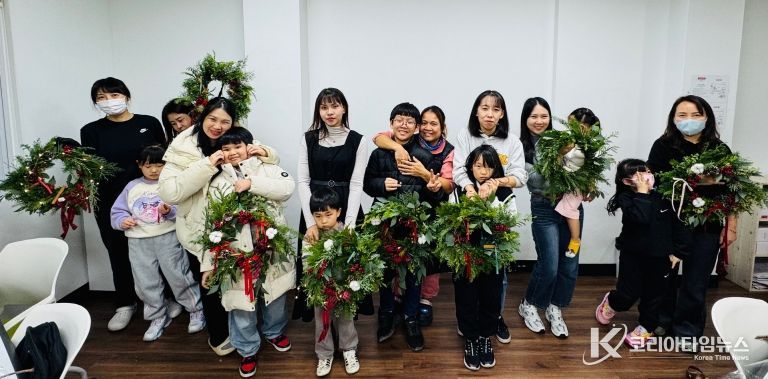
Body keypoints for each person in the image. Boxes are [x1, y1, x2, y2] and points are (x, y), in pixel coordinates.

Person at [158, 97, 279, 357]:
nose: (217, 126)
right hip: (199, 231)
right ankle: (219, 336)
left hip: (236, 230)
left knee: (237, 283)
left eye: (225, 121)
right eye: (212, 119)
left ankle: (245, 332)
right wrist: (207, 164)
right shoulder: (183, 147)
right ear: (202, 117)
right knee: (210, 286)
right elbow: (170, 192)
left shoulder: (234, 139)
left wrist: (267, 153)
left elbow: (263, 157)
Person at [201, 127, 295, 378]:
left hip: (271, 249)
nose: (232, 153)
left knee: (274, 295)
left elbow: (286, 189)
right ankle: (247, 348)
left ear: (249, 147)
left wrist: (251, 183)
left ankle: (274, 332)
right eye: (226, 148)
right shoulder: (218, 182)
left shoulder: (269, 168)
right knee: (241, 302)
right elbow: (211, 225)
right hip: (236, 255)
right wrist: (208, 263)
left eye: (237, 147)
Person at [647, 95, 736, 349]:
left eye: (695, 115)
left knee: (696, 279)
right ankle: (661, 321)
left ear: (706, 117)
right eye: (682, 115)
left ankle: (687, 329)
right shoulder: (663, 146)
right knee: (664, 276)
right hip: (670, 222)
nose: (689, 121)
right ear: (673, 119)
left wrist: (732, 224)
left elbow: (731, 191)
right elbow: (655, 184)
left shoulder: (719, 150)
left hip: (707, 224)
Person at [80, 77, 166, 331]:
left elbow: (163, 159)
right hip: (110, 200)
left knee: (161, 249)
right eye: (101, 98)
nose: (109, 102)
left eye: (114, 95)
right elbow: (92, 168)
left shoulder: (148, 123)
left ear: (126, 96)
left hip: (151, 197)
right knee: (118, 252)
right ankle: (125, 303)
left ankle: (166, 299)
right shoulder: (91, 130)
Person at [363, 102, 443, 352]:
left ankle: (410, 319)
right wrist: (380, 184)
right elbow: (367, 184)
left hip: (415, 226)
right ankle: (386, 314)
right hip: (385, 224)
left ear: (417, 127)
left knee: (413, 273)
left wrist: (429, 183)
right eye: (399, 120)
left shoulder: (426, 156)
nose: (404, 124)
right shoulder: (379, 154)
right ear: (391, 124)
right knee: (386, 272)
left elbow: (436, 197)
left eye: (410, 121)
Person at [109, 145, 205, 342]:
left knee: (179, 275)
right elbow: (117, 212)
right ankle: (157, 317)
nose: (153, 170)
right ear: (139, 166)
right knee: (145, 282)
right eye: (148, 165)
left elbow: (183, 211)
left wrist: (168, 212)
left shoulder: (171, 185)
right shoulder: (131, 186)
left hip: (167, 237)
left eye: (159, 165)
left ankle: (196, 310)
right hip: (138, 242)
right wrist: (122, 221)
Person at [453, 90, 527, 343]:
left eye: (496, 109)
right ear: (476, 111)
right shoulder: (465, 135)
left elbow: (521, 176)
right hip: (468, 205)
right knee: (467, 271)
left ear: (502, 114)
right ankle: (469, 322)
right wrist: (471, 190)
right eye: (484, 108)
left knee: (496, 275)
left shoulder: (512, 141)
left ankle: (494, 317)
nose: (489, 114)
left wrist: (495, 183)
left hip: (497, 211)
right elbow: (458, 170)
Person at [595, 159, 689, 348]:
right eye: (638, 174)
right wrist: (642, 193)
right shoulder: (626, 198)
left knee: (654, 296)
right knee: (627, 294)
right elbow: (641, 217)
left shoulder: (665, 196)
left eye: (646, 171)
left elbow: (679, 224)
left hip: (661, 256)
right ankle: (612, 302)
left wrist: (678, 252)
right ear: (627, 182)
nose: (645, 176)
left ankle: (646, 327)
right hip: (633, 254)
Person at [294, 88, 370, 322]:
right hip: (315, 207)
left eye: (334, 106)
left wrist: (349, 226)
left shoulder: (359, 140)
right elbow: (303, 181)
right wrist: (310, 223)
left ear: (344, 108)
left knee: (346, 266)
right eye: (324, 107)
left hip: (346, 206)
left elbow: (357, 184)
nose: (329, 112)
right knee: (316, 266)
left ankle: (346, 319)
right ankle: (321, 320)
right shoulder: (308, 138)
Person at [517, 97, 578, 338]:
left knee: (570, 264)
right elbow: (535, 181)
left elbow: (581, 167)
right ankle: (530, 304)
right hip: (543, 206)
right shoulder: (520, 146)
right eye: (533, 116)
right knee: (549, 264)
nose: (539, 121)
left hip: (571, 205)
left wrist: (586, 183)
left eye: (544, 116)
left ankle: (555, 307)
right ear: (525, 119)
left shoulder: (563, 140)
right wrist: (561, 165)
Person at [454, 145, 513, 371]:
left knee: (491, 294)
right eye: (478, 166)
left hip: (492, 253)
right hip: (465, 253)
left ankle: (485, 337)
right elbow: (453, 222)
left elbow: (510, 222)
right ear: (470, 167)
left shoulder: (505, 193)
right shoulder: (460, 192)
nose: (483, 171)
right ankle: (470, 337)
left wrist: (492, 210)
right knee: (466, 294)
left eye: (489, 167)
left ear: (496, 168)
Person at [303, 188, 360, 377]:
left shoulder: (347, 233)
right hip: (321, 287)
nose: (324, 221)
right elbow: (306, 263)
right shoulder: (311, 236)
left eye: (328, 214)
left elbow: (355, 262)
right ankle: (324, 353)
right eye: (318, 216)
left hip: (343, 286)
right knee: (321, 319)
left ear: (339, 212)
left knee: (346, 318)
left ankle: (349, 349)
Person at [554, 108, 600, 258]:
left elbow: (593, 167)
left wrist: (591, 185)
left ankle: (575, 240)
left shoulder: (592, 145)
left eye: (577, 126)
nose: (573, 129)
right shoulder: (568, 139)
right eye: (570, 124)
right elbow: (558, 159)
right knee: (565, 209)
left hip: (578, 183)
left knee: (569, 209)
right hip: (564, 182)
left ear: (588, 127)